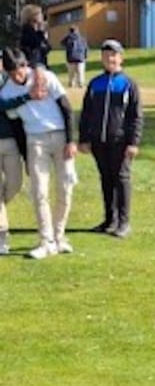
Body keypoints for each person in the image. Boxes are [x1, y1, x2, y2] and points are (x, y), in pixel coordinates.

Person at [0, 48, 77, 260]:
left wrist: (71, 140)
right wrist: (26, 156)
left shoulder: (46, 77)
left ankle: (59, 236)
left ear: (26, 65)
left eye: (21, 69)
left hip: (60, 135)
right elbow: (16, 127)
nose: (19, 75)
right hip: (35, 140)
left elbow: (66, 107)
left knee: (65, 188)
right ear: (6, 72)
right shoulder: (6, 91)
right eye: (13, 72)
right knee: (39, 192)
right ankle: (46, 240)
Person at [79, 40, 143, 238]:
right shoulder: (95, 83)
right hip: (99, 141)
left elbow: (136, 115)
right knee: (106, 179)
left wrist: (133, 142)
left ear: (121, 58)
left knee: (121, 179)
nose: (110, 59)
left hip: (120, 142)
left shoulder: (128, 84)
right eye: (106, 56)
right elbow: (86, 113)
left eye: (114, 55)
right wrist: (84, 138)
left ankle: (124, 222)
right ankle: (109, 219)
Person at [0, 70, 35, 256]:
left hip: (11, 142)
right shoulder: (15, 91)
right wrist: (26, 97)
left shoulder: (10, 82)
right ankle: (2, 238)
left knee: (15, 184)